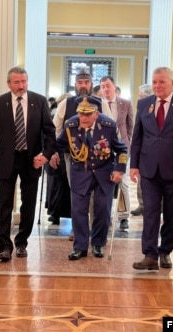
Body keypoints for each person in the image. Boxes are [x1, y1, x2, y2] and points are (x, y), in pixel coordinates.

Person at [130, 67, 173, 270]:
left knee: (172, 214)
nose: (157, 86)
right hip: (149, 168)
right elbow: (138, 137)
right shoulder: (144, 104)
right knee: (150, 212)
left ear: (172, 83)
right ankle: (150, 255)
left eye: (161, 82)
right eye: (154, 82)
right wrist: (133, 164)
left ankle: (165, 251)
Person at [0, 66, 56, 262]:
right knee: (4, 204)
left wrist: (46, 155)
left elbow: (50, 133)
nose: (20, 85)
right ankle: (4, 247)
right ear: (9, 84)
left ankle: (22, 243)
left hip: (31, 160)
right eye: (16, 82)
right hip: (7, 159)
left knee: (29, 204)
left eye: (23, 81)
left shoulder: (39, 101)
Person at [50, 96, 128, 260]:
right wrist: (48, 154)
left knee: (102, 210)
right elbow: (59, 143)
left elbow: (121, 150)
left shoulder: (108, 125)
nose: (83, 118)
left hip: (103, 173)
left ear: (96, 114)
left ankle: (98, 244)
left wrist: (119, 169)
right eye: (80, 114)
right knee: (78, 211)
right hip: (80, 173)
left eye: (88, 114)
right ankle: (80, 247)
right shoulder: (71, 124)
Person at [53, 68, 112, 240]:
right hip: (74, 157)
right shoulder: (66, 103)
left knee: (97, 195)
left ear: (91, 84)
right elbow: (56, 128)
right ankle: (79, 230)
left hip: (99, 158)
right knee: (78, 194)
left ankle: (96, 230)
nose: (83, 86)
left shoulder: (101, 103)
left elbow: (111, 127)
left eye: (86, 82)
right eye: (80, 82)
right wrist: (55, 151)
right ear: (75, 84)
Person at [100, 76, 133, 230]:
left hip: (121, 147)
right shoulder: (98, 103)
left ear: (114, 86)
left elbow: (130, 125)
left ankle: (124, 216)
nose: (105, 89)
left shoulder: (125, 103)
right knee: (104, 182)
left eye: (108, 85)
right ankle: (104, 215)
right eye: (102, 86)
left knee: (123, 183)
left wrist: (127, 143)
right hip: (103, 147)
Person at [45, 93, 72, 225]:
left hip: (62, 150)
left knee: (59, 185)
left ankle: (55, 213)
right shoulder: (52, 113)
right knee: (57, 184)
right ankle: (56, 213)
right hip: (57, 150)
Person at [130, 84, 153, 216]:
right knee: (141, 180)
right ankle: (142, 205)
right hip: (143, 150)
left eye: (140, 95)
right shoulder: (142, 108)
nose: (139, 98)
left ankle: (157, 207)